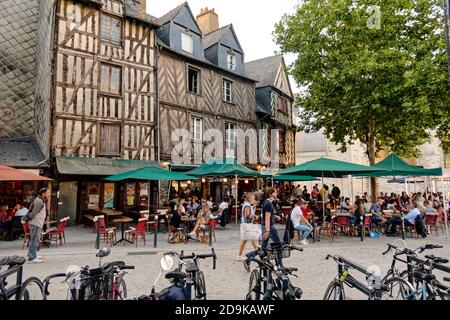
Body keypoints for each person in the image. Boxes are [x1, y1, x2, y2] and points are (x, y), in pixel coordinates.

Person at [25, 188, 49, 263]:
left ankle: (35, 254)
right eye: (47, 193)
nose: (48, 194)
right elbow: (34, 212)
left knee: (36, 239)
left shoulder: (41, 200)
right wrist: (29, 219)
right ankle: (32, 257)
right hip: (35, 222)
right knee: (34, 239)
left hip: (38, 222)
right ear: (43, 193)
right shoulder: (39, 201)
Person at [236, 193, 259, 261]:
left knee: (248, 241)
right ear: (250, 198)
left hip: (248, 225)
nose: (254, 199)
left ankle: (239, 256)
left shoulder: (248, 205)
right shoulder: (247, 206)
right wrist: (255, 216)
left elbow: (250, 214)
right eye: (253, 198)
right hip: (247, 225)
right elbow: (247, 216)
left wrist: (254, 207)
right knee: (252, 240)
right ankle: (259, 254)